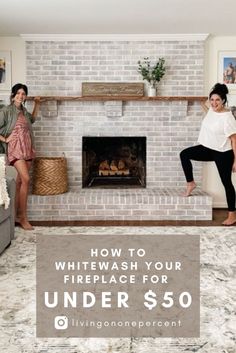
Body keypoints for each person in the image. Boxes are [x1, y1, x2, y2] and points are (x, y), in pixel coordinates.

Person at [180, 83, 236, 226]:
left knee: (227, 183)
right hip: (208, 148)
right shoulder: (211, 110)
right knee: (184, 154)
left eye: (217, 100)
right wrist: (201, 102)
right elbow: (208, 113)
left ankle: (232, 215)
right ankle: (191, 183)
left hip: (223, 153)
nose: (214, 103)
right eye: (211, 99)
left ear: (223, 100)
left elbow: (234, 139)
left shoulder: (227, 117)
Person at [0, 83, 40, 230]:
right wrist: (5, 139)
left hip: (27, 148)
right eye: (18, 93)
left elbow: (33, 119)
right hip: (15, 149)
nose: (21, 96)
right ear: (13, 95)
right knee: (26, 179)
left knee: (18, 183)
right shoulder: (6, 111)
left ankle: (14, 217)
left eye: (23, 94)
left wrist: (37, 104)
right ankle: (23, 218)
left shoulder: (24, 111)